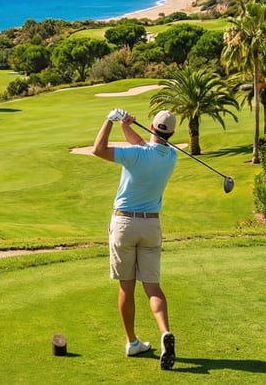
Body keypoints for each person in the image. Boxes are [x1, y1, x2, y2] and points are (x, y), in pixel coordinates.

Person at [91, 108, 179, 371]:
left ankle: (132, 342)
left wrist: (109, 120)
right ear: (172, 133)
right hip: (151, 224)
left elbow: (98, 149)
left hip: (124, 224)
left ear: (152, 126)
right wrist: (126, 126)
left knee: (126, 287)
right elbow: (143, 144)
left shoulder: (136, 155)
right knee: (153, 287)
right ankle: (165, 333)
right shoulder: (171, 156)